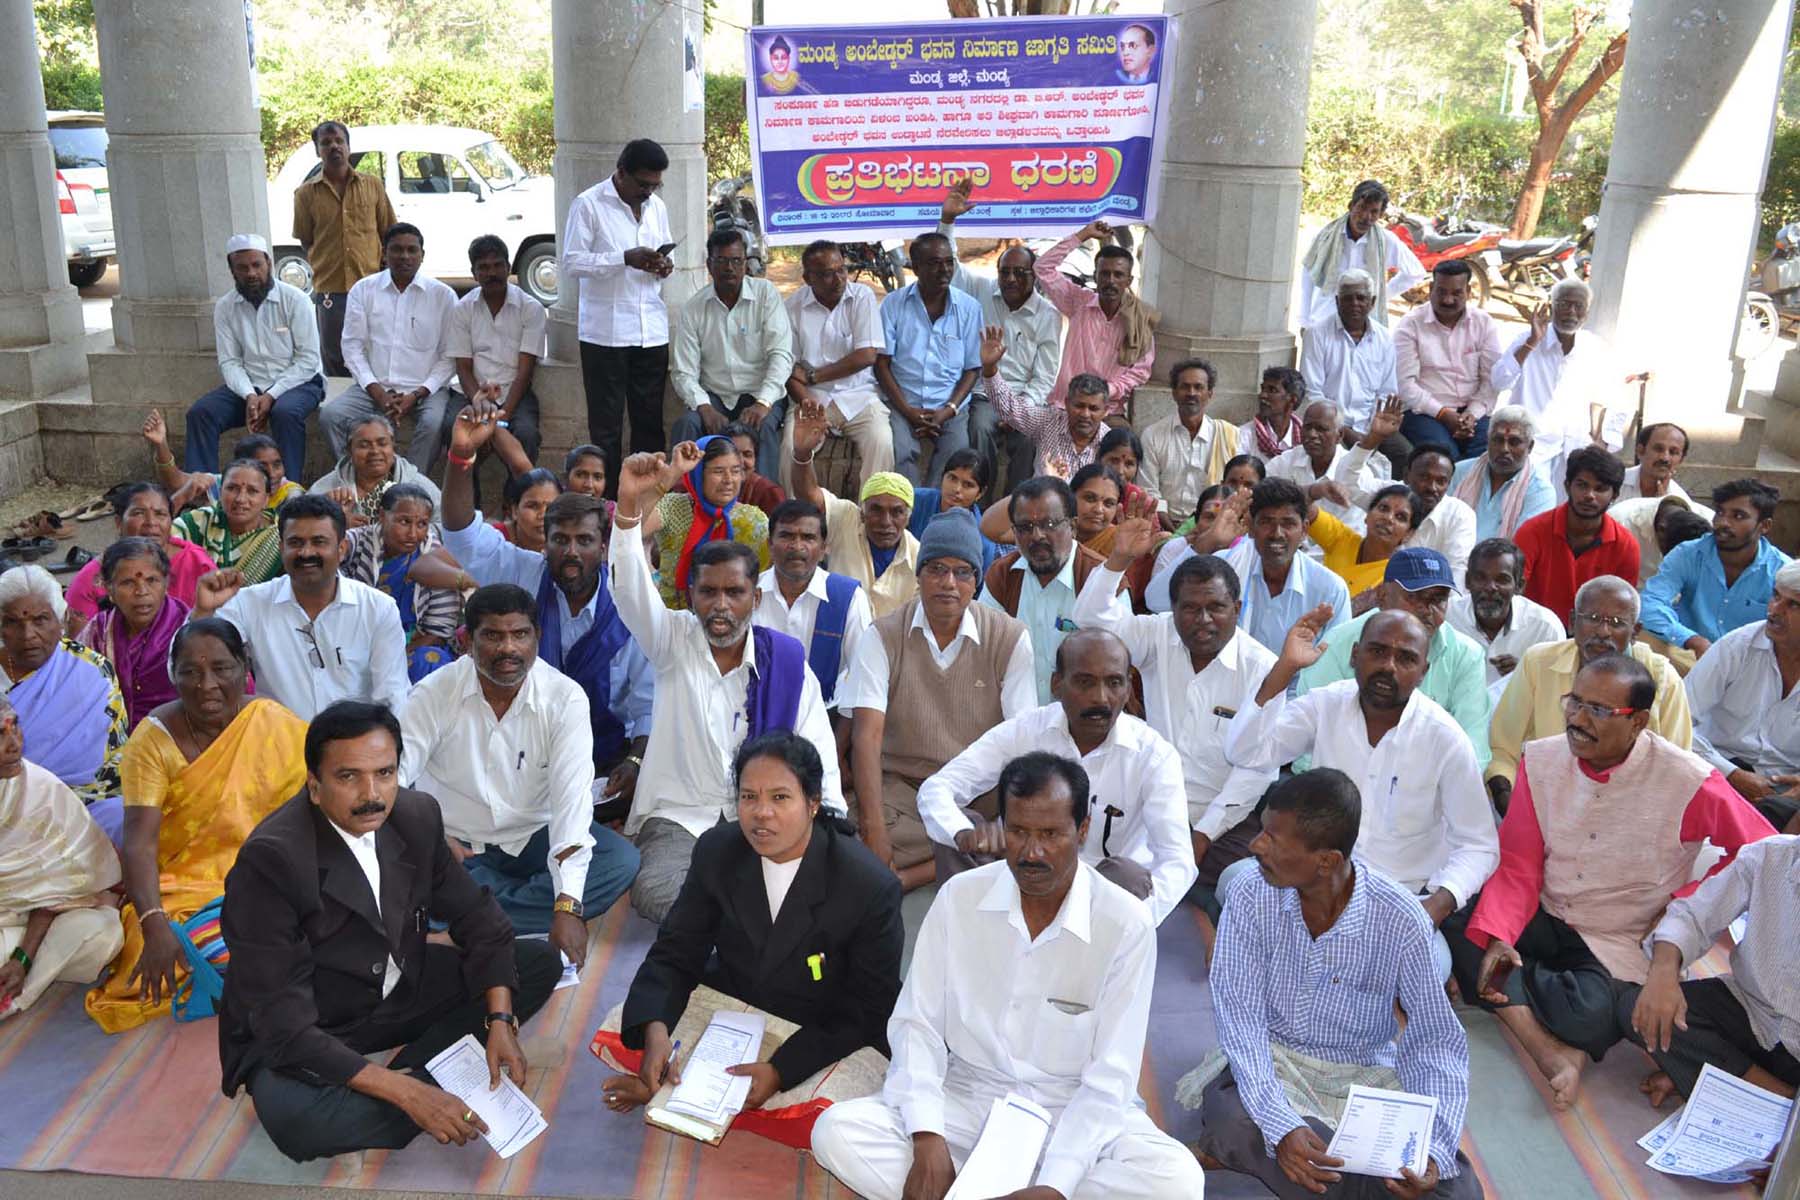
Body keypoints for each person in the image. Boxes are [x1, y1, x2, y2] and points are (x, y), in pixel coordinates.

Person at [809, 752, 1206, 1200]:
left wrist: (1056, 1185)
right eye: (1018, 832)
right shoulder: (960, 898)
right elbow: (916, 1026)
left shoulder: (1125, 923)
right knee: (836, 1132)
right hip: (970, 1095)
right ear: (1003, 828)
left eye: (1051, 834)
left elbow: (1110, 1080)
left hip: (1070, 1110)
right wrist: (926, 1134)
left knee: (1177, 1180)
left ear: (1082, 830)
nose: (1032, 852)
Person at [217, 701, 559, 1162]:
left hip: (397, 990)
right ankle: (426, 1085)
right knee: (299, 1124)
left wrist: (500, 1020)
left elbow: (480, 919)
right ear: (314, 787)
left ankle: (422, 1079)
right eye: (348, 777)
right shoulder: (271, 861)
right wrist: (405, 1093)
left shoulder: (416, 817)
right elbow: (283, 1023)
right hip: (311, 1021)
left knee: (537, 963)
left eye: (384, 773)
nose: (371, 794)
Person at [1446, 654, 1775, 1109]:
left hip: (1618, 936)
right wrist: (1501, 935)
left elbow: (1764, 855)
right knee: (1457, 920)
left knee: (1593, 1016)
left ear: (1638, 721)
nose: (1578, 720)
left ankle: (1542, 1012)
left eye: (1599, 711)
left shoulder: (1687, 779)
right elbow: (1519, 864)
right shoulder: (1541, 760)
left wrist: (1685, 901)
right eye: (1574, 702)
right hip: (1542, 909)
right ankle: (1544, 1043)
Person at [1194, 769, 1480, 1200]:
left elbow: (1436, 1040)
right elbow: (1240, 1019)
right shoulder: (1250, 894)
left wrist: (1433, 1154)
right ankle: (1311, 1166)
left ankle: (1282, 1165)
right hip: (1273, 1066)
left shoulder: (1401, 919)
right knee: (1233, 1119)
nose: (1256, 845)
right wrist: (1280, 1124)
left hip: (1363, 1081)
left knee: (1456, 1192)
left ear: (1326, 860)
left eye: (1273, 838)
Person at [603, 732, 903, 1115]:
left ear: (812, 804)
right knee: (634, 1026)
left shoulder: (869, 886)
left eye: (780, 797)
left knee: (845, 1114)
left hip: (823, 1022)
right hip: (740, 995)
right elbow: (677, 949)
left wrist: (781, 1071)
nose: (762, 813)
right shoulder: (717, 850)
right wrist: (656, 1031)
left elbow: (867, 1007)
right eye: (749, 797)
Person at [612, 446, 845, 924]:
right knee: (655, 892)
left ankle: (730, 928)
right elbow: (629, 590)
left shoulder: (784, 662)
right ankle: (739, 927)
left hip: (762, 818)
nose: (721, 605)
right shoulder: (672, 639)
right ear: (690, 595)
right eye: (708, 592)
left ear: (755, 598)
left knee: (819, 888)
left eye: (734, 593)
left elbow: (816, 747)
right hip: (679, 818)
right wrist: (629, 510)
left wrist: (831, 820)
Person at [1226, 607, 1497, 978]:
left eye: (1406, 659)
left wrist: (1434, 907)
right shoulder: (1326, 705)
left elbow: (1479, 845)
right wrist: (1284, 669)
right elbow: (1246, 752)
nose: (1389, 666)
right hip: (1312, 883)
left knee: (1431, 967)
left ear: (1423, 672)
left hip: (1394, 899)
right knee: (1235, 884)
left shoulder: (1445, 739)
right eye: (1378, 651)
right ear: (1355, 655)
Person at [85, 619, 306, 1033]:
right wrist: (153, 923)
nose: (206, 685)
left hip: (266, 881)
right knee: (158, 948)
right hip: (179, 890)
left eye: (221, 668)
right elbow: (139, 845)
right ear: (172, 676)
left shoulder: (273, 722)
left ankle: (249, 967)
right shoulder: (152, 741)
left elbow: (314, 809)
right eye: (189, 672)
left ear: (245, 669)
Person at [400, 584, 639, 963]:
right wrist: (429, 835)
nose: (508, 648)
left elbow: (571, 805)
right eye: (492, 636)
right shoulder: (434, 693)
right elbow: (393, 777)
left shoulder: (564, 699)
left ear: (537, 638)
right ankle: (491, 907)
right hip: (457, 846)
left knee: (619, 863)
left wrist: (567, 907)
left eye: (520, 635)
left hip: (534, 837)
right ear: (467, 643)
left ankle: (464, 918)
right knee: (398, 862)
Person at [442, 416, 653, 819]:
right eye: (560, 540)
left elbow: (647, 704)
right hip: (518, 758)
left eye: (584, 541)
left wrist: (636, 763)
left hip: (601, 767)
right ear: (545, 542)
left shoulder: (631, 604)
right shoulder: (522, 571)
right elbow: (460, 533)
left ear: (604, 545)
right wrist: (461, 456)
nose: (571, 552)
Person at [918, 630, 1195, 923]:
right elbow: (937, 788)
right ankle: (977, 941)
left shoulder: (1154, 755)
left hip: (1098, 898)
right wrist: (962, 833)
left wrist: (1137, 923)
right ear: (1057, 684)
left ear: (1128, 688)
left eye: (1114, 683)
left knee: (1130, 877)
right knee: (957, 835)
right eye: (1084, 682)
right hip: (1023, 874)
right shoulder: (1026, 730)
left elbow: (1178, 862)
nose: (1100, 698)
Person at [1073, 525, 1278, 915]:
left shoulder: (1262, 668)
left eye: (1216, 607)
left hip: (1221, 818)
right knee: (1112, 876)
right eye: (1189, 608)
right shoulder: (1156, 635)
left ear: (1237, 608)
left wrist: (1203, 834)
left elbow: (1256, 770)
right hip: (1148, 803)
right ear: (1172, 609)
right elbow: (1091, 626)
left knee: (1244, 887)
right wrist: (1118, 560)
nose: (1203, 620)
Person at [841, 509, 1034, 893]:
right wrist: (874, 830)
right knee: (843, 833)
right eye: (936, 569)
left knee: (992, 835)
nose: (949, 583)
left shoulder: (1010, 638)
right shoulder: (883, 635)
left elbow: (1020, 745)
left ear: (977, 581)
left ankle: (912, 874)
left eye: (962, 572)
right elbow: (867, 737)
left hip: (971, 798)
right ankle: (942, 857)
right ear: (919, 574)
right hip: (899, 796)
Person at [192, 494, 410, 721]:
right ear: (281, 547)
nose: (306, 553)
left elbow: (393, 699)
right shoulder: (249, 604)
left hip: (353, 750)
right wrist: (203, 612)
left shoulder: (378, 609)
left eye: (319, 542)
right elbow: (186, 667)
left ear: (342, 548)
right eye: (296, 543)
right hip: (276, 746)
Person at [1486, 575, 1691, 812]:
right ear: (1572, 621)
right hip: (1548, 804)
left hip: (1631, 811)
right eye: (1593, 619)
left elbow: (1677, 767)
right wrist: (1512, 805)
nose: (1603, 631)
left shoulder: (1663, 679)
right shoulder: (1539, 662)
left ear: (1635, 631)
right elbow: (1502, 750)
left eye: (1616, 622)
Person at [1622, 832, 1800, 1104]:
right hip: (1751, 1010)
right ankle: (1780, 1098)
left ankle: (1714, 1079)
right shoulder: (1770, 856)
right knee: (1638, 1009)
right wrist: (1663, 973)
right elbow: (1693, 917)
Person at [1297, 548, 1494, 769]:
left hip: (1423, 787)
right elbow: (1310, 739)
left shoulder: (1466, 655)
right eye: (1414, 597)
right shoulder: (1339, 643)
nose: (1426, 610)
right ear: (1382, 595)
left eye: (1438, 600)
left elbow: (1473, 749)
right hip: (1340, 782)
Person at [0, 700, 123, 1020]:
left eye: (16, 728)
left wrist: (22, 959)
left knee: (103, 933)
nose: (13, 745)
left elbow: (62, 889)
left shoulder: (41, 790)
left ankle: (14, 994)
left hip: (46, 922)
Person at [937, 182, 1063, 493]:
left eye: (1020, 273)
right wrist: (948, 221)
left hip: (1025, 397)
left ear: (1034, 277)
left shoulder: (1048, 315)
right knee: (980, 428)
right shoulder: (983, 291)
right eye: (1005, 271)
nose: (1010, 279)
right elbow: (952, 269)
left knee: (1030, 437)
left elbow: (1044, 376)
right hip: (985, 394)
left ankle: (1016, 506)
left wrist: (1019, 407)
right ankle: (981, 501)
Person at [564, 138, 675, 488]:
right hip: (605, 335)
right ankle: (609, 506)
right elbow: (571, 262)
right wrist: (624, 258)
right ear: (621, 173)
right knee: (606, 430)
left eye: (654, 185)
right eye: (643, 184)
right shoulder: (588, 204)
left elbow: (664, 250)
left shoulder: (656, 206)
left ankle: (647, 502)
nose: (648, 192)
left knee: (649, 426)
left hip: (651, 331)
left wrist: (662, 264)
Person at [1148, 478, 1353, 656]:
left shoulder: (1330, 589)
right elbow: (1155, 600)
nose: (1277, 533)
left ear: (1304, 530)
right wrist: (1208, 541)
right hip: (1226, 692)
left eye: (1288, 523)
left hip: (1299, 698)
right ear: (1251, 527)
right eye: (1266, 522)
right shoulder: (1226, 567)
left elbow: (1332, 665)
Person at [183, 233, 323, 485]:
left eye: (257, 265)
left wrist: (271, 395)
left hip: (299, 383)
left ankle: (286, 494)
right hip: (249, 387)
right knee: (201, 413)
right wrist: (250, 395)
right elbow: (230, 362)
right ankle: (200, 492)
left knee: (285, 413)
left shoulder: (296, 300)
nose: (251, 273)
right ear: (232, 271)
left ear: (268, 264)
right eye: (242, 267)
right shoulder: (226, 307)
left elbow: (308, 360)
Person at [321, 223, 457, 474]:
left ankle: (409, 486)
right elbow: (351, 347)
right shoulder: (364, 290)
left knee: (433, 423)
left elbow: (449, 357)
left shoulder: (443, 296)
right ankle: (357, 479)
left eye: (411, 250)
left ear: (422, 255)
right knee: (331, 416)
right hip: (373, 386)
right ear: (384, 253)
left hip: (426, 389)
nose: (404, 256)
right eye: (396, 250)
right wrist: (377, 392)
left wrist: (416, 395)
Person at [981, 476, 1128, 702]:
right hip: (1012, 721)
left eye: (1049, 524)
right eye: (1025, 527)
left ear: (1073, 527)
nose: (1037, 536)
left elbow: (1119, 667)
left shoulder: (1105, 581)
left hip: (1085, 722)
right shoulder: (1002, 576)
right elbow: (983, 650)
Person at [0, 565, 127, 811]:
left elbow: (113, 770)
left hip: (90, 805)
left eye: (40, 620)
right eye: (13, 623)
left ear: (61, 620)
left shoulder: (92, 672)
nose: (28, 635)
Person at [1684, 560, 1800, 829]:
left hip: (1784, 793)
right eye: (1775, 596)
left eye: (1793, 604)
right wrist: (1731, 773)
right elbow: (1677, 721)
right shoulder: (1737, 647)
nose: (1774, 610)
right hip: (1716, 771)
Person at [777, 239, 895, 494]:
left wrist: (813, 375)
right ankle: (795, 519)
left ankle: (869, 520)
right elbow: (788, 369)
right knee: (790, 448)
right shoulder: (792, 308)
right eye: (828, 274)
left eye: (841, 269)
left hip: (859, 397)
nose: (840, 279)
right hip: (812, 400)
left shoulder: (861, 296)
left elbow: (866, 355)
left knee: (881, 441)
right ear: (808, 278)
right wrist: (810, 406)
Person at [790, 402, 922, 618]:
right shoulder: (846, 519)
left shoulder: (919, 557)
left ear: (908, 517)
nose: (885, 521)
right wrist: (803, 453)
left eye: (896, 512)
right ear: (862, 512)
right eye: (876, 510)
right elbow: (809, 495)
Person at [669, 230, 794, 455]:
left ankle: (765, 491)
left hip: (760, 393)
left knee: (763, 427)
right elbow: (683, 372)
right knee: (687, 424)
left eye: (736, 260)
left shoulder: (766, 295)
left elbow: (781, 355)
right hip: (715, 396)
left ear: (745, 263)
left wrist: (763, 402)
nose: (729, 268)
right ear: (709, 265)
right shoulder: (694, 309)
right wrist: (704, 406)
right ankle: (683, 490)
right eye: (722, 260)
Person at [876, 232, 983, 485]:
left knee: (956, 456)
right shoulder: (893, 304)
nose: (944, 269)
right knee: (901, 451)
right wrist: (908, 411)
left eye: (948, 262)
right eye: (934, 263)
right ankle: (909, 514)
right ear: (915, 267)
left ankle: (934, 513)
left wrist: (949, 410)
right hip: (903, 403)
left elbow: (972, 369)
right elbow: (882, 365)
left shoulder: (969, 308)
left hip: (950, 407)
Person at [1642, 479, 1791, 659]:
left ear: (1764, 526)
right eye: (1720, 513)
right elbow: (1651, 602)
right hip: (1689, 654)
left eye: (1738, 516)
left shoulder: (1782, 572)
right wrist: (1692, 640)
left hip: (1750, 662)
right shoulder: (1689, 553)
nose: (1723, 523)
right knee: (1645, 639)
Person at [292, 121, 396, 377]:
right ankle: (342, 412)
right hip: (331, 290)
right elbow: (306, 239)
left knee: (376, 352)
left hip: (371, 285)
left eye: (339, 141)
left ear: (349, 147)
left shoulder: (372, 185)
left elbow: (389, 232)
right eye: (326, 143)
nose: (334, 146)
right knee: (336, 356)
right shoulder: (305, 194)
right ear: (318, 151)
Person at [1491, 279, 1622, 477]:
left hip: (1575, 447)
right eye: (1564, 304)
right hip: (1532, 447)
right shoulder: (1528, 340)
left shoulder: (1595, 348)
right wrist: (1531, 343)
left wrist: (1600, 440)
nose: (1571, 312)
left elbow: (1605, 398)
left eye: (1578, 306)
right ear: (1551, 307)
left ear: (1586, 313)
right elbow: (1500, 381)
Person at [445, 233, 549, 481]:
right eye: (484, 267)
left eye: (497, 265)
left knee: (526, 434)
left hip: (514, 393)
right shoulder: (463, 309)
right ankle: (470, 508)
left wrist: (500, 417)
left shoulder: (530, 308)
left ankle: (514, 502)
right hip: (471, 392)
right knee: (452, 429)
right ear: (473, 273)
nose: (492, 273)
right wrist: (481, 406)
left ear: (509, 267)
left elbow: (525, 371)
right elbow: (463, 367)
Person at [339, 484, 463, 683]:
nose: (413, 534)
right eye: (404, 522)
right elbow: (328, 556)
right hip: (354, 638)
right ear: (382, 516)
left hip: (410, 646)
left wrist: (394, 658)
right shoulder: (359, 541)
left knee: (429, 660)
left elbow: (438, 631)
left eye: (422, 524)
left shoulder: (436, 556)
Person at [1336, 415, 1479, 586]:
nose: (1432, 487)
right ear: (1406, 476)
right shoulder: (1391, 496)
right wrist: (1372, 439)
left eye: (1441, 481)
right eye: (1424, 477)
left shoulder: (1460, 515)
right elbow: (1347, 482)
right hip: (1369, 588)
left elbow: (1456, 574)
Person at [1035, 221, 1156, 420]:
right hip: (1065, 408)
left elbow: (1140, 372)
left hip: (1107, 412)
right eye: (1105, 274)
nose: (1111, 281)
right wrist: (1082, 235)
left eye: (1118, 275)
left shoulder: (1139, 321)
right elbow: (1042, 268)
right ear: (1095, 277)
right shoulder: (1078, 302)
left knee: (1127, 446)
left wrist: (1108, 390)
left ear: (1129, 281)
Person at [757, 499, 872, 707]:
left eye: (808, 538)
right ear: (770, 545)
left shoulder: (847, 598)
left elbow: (861, 678)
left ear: (823, 549)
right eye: (786, 536)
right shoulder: (748, 593)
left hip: (826, 725)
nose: (797, 546)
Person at [63, 483, 217, 637]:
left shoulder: (196, 563)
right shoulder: (91, 579)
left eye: (160, 514)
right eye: (138, 513)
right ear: (118, 522)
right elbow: (79, 650)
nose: (151, 522)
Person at [642, 434, 771, 611]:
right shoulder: (674, 506)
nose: (728, 480)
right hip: (670, 621)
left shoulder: (753, 522)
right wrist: (673, 473)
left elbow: (764, 580)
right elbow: (635, 526)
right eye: (718, 471)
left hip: (730, 621)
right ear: (698, 473)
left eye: (735, 471)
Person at [1512, 446, 1638, 624]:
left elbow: (1621, 608)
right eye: (1582, 485)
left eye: (1600, 489)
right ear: (1567, 485)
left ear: (1615, 495)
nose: (1589, 495)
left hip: (1596, 637)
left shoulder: (1626, 545)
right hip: (1534, 631)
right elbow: (1514, 594)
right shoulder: (1532, 531)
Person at [1395, 259, 1502, 459]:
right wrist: (1443, 414)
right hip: (1425, 412)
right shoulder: (1410, 325)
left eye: (1456, 293)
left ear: (1468, 292)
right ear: (1430, 288)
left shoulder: (1484, 323)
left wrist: (1471, 415)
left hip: (1474, 413)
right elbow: (1404, 386)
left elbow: (1491, 380)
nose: (1448, 300)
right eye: (1441, 292)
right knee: (1444, 459)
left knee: (1489, 458)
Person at [76, 539, 187, 728]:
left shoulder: (187, 627)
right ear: (109, 589)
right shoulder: (99, 632)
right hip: (109, 740)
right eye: (128, 583)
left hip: (178, 739)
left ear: (166, 582)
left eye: (151, 580)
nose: (142, 591)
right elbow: (77, 689)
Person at [1301, 269, 1405, 458]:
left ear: (1372, 302)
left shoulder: (1384, 339)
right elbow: (1312, 393)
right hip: (1330, 428)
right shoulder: (1316, 334)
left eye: (1361, 298)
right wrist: (1346, 431)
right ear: (1337, 301)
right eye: (1347, 298)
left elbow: (1386, 392)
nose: (1354, 304)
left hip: (1373, 424)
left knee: (1405, 456)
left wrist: (1373, 432)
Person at [1298, 179, 1424, 328]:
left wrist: (1381, 297)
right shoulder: (1325, 236)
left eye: (1373, 211)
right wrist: (1304, 320)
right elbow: (1308, 273)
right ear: (1351, 206)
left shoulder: (1386, 241)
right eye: (1362, 208)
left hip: (1364, 327)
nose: (1366, 216)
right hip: (1324, 320)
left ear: (1381, 214)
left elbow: (1415, 272)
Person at [981, 336, 1110, 481]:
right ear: (1067, 403)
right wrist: (990, 369)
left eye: (1093, 408)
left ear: (1105, 411)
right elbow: (1010, 408)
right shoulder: (1048, 421)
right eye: (1079, 406)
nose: (1085, 414)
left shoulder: (1110, 442)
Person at [1446, 538, 1567, 689]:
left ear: (1520, 586)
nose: (1490, 587)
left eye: (1502, 580)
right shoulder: (1447, 617)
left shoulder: (1545, 627)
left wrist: (1527, 675)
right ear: (1467, 581)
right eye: (1481, 578)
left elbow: (1559, 689)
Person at [1265, 399, 1390, 540]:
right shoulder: (1286, 461)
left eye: (1321, 429)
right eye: (1307, 427)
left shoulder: (1355, 472)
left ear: (1340, 435)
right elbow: (1261, 495)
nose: (1312, 434)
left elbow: (1348, 535)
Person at [1137, 358, 1240, 525]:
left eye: (1198, 387)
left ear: (1210, 394)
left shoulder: (1229, 436)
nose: (1191, 393)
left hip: (1213, 524)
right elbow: (1148, 488)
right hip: (1162, 524)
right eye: (1185, 386)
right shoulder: (1153, 435)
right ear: (1174, 392)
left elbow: (1235, 489)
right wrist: (1169, 527)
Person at [308, 412, 443, 528]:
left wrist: (406, 529)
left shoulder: (418, 486)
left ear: (393, 446)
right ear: (349, 450)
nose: (374, 451)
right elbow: (301, 526)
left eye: (382, 443)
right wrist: (337, 525)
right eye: (364, 445)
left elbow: (444, 528)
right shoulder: (328, 489)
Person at [1447, 405, 1555, 542]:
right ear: (1488, 440)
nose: (1504, 449)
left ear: (1530, 446)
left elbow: (1524, 545)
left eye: (1514, 442)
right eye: (1498, 440)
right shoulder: (1460, 472)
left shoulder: (1541, 492)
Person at [1308, 484, 1419, 609]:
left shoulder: (1397, 579)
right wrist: (1315, 491)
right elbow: (1298, 506)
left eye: (1400, 517)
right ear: (1367, 516)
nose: (1388, 518)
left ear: (1408, 534)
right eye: (1383, 508)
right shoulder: (1341, 538)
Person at [175, 458, 283, 583]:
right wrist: (180, 498)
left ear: (266, 500)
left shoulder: (280, 536)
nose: (240, 499)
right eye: (232, 488)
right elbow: (157, 545)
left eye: (252, 491)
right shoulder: (201, 521)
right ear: (220, 493)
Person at [903, 448, 1002, 579]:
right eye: (952, 478)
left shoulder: (983, 539)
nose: (956, 489)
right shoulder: (913, 500)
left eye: (968, 485)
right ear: (942, 477)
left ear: (980, 493)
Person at [1237, 367, 1308, 465]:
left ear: (1292, 399)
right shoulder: (1245, 435)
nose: (1262, 395)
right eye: (1263, 389)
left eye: (1272, 390)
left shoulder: (1305, 440)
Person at [1616, 422, 1692, 502]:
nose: (1665, 458)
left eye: (1673, 452)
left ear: (1681, 459)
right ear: (1640, 451)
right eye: (1658, 449)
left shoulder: (1681, 501)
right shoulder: (1613, 483)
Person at [492, 467, 562, 551]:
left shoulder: (568, 545)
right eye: (533, 506)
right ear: (514, 511)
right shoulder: (492, 539)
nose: (543, 515)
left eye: (551, 507)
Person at [724, 421, 786, 513]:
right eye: (734, 454)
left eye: (747, 454)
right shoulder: (711, 489)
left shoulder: (768, 493)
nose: (741, 461)